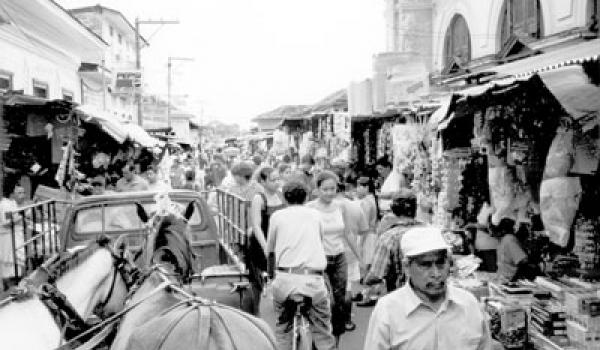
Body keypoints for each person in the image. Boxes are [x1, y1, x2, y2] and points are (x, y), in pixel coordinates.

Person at [364, 227, 492, 350]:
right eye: (425, 265)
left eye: (441, 262)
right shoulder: (388, 310)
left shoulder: (468, 304)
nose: (436, 274)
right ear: (407, 267)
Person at [266, 181, 335, 350]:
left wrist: (270, 277)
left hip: (285, 281)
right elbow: (319, 241)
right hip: (312, 280)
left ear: (285, 198)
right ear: (306, 197)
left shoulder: (277, 216)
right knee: (323, 330)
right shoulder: (315, 215)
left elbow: (270, 251)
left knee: (283, 327)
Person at [306, 170, 366, 342]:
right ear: (317, 190)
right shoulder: (310, 209)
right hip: (319, 259)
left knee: (339, 302)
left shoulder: (340, 206)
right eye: (325, 189)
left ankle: (335, 341)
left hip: (339, 257)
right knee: (326, 301)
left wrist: (360, 258)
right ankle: (318, 337)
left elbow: (347, 233)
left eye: (332, 189)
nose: (329, 193)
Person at [360, 190, 423, 306]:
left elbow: (376, 274)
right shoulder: (430, 230)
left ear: (394, 210)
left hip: (402, 296)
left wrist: (366, 279)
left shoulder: (389, 237)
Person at [495, 218, 538, 283]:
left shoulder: (505, 239)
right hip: (509, 278)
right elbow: (523, 260)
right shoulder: (510, 240)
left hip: (503, 276)